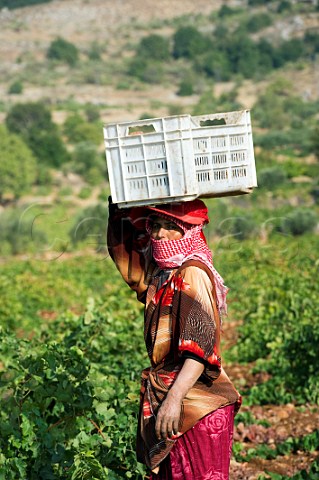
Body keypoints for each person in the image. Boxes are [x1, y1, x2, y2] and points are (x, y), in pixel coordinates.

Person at [107, 198, 241, 480]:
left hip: (195, 405)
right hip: (179, 401)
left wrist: (173, 400)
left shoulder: (191, 273)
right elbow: (133, 270)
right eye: (155, 225)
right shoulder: (163, 274)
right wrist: (118, 214)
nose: (159, 234)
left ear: (189, 231)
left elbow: (198, 350)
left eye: (170, 226)